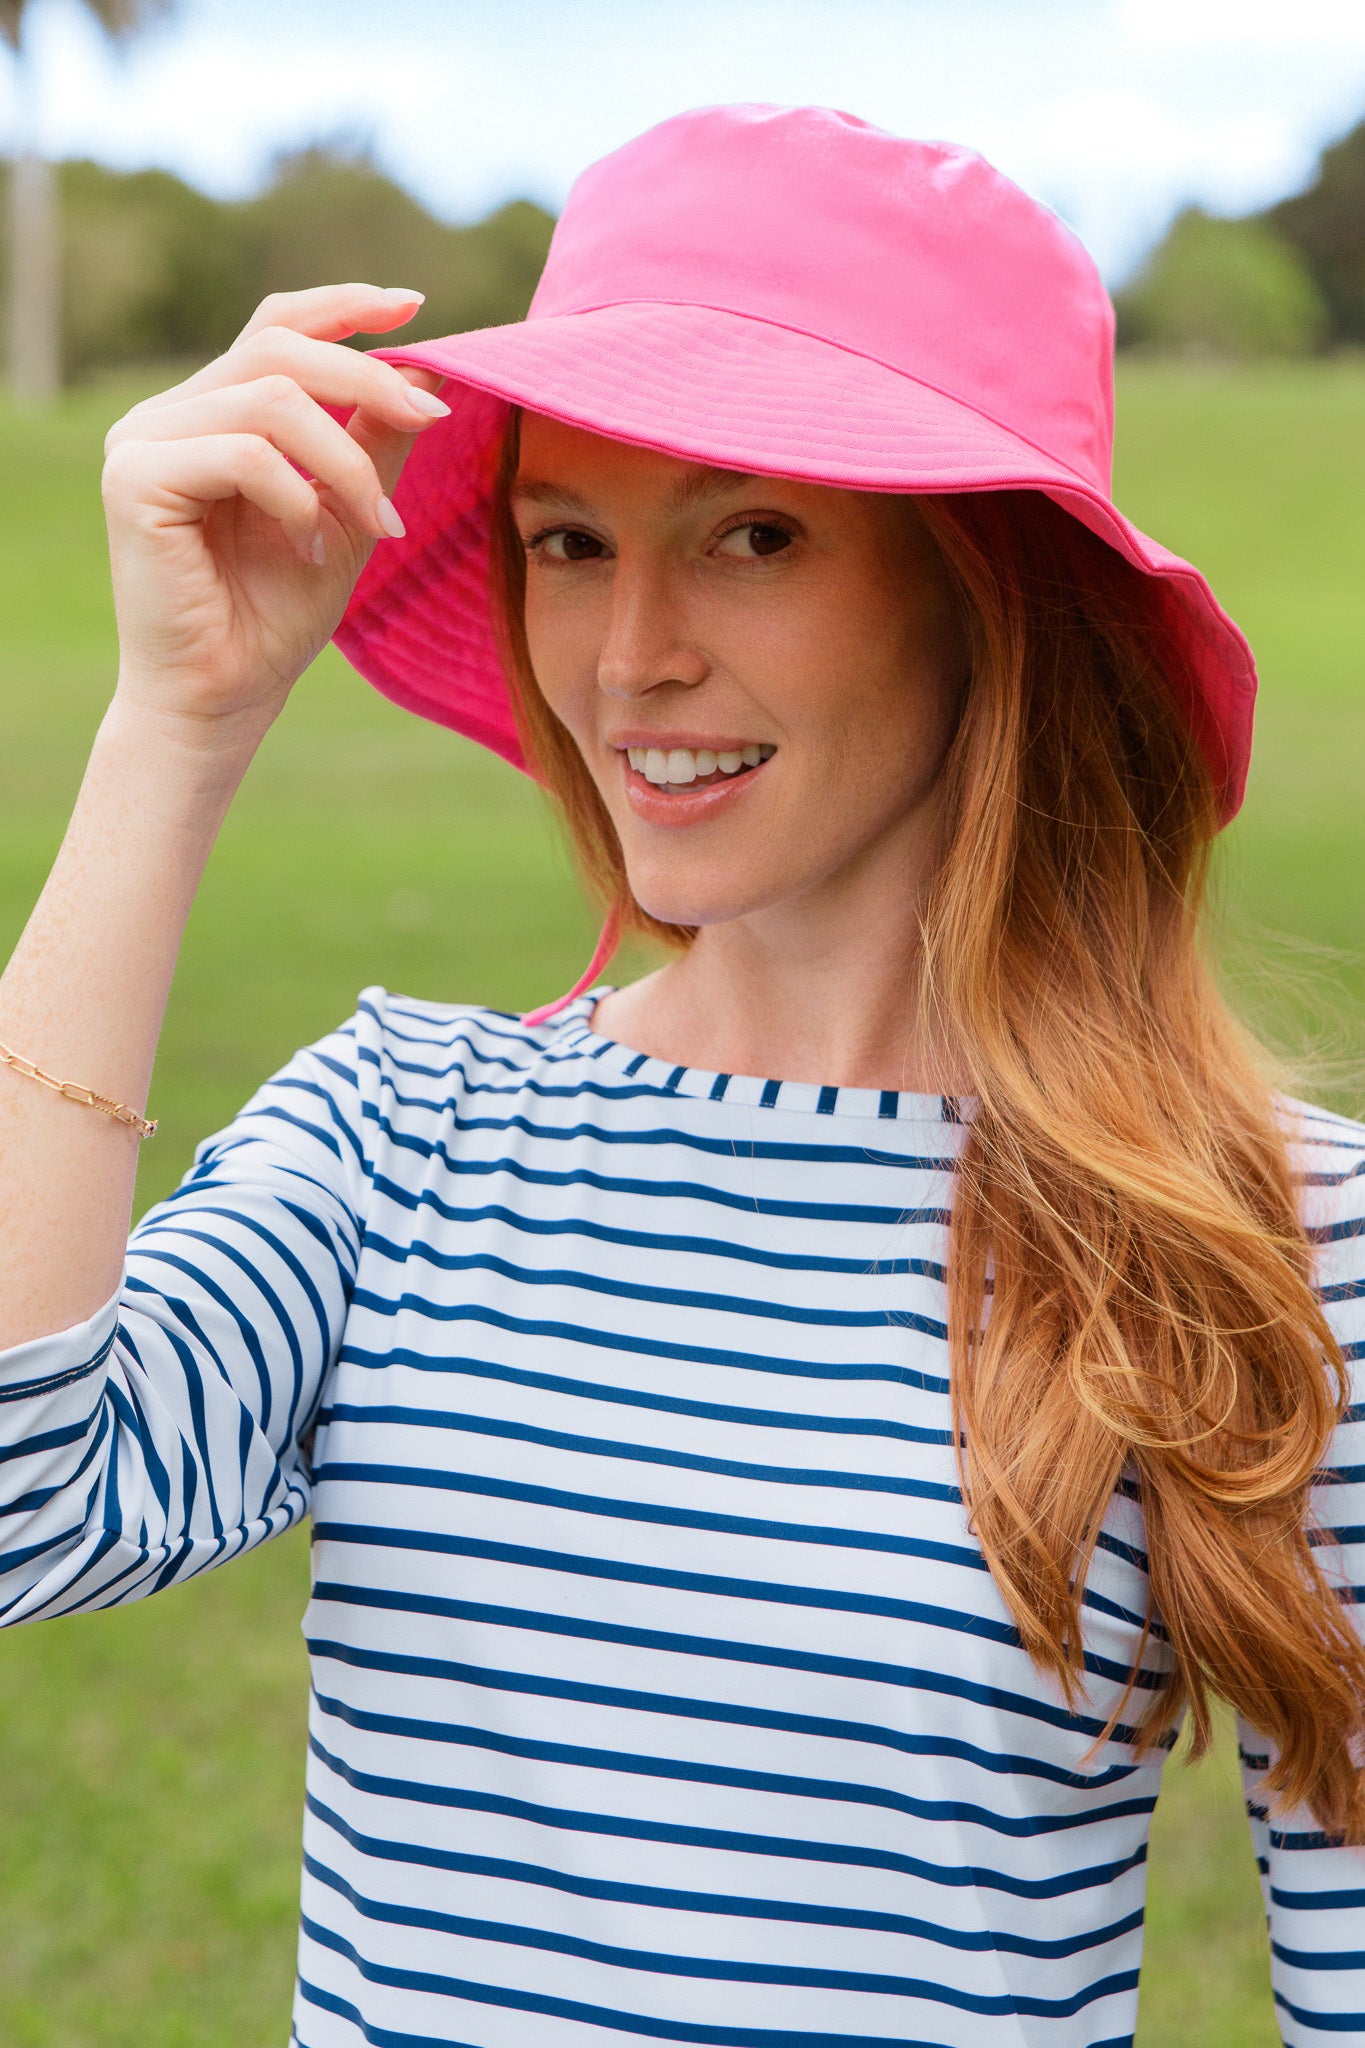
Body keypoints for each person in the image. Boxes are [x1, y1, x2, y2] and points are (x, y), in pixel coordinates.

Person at [0, 102, 1360, 2048]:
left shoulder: (1277, 1238)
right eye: (567, 542)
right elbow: (15, 1503)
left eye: (751, 535)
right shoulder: (401, 1138)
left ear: (982, 586)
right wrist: (172, 731)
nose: (628, 653)